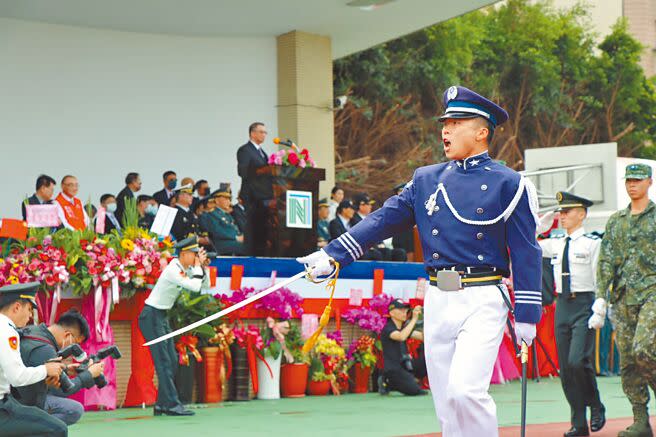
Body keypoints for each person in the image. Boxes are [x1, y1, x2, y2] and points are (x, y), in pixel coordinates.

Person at [298, 86, 542, 436]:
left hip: (483, 297)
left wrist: (528, 315)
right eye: (444, 122)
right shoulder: (426, 179)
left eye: (456, 122)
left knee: (466, 392)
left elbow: (526, 250)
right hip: (438, 297)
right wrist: (331, 254)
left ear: (481, 131)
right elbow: (382, 220)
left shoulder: (511, 184)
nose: (445, 130)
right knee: (445, 403)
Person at [590, 163, 656, 437]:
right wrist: (601, 299)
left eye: (638, 180)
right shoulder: (616, 221)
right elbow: (606, 261)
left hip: (652, 293)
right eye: (629, 180)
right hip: (623, 298)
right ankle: (641, 421)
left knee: (644, 349)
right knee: (628, 361)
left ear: (649, 182)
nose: (632, 185)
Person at [539, 192, 605, 436]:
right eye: (561, 212)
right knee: (566, 369)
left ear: (582, 213)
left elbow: (601, 278)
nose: (562, 216)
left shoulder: (592, 243)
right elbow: (527, 245)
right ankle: (578, 424)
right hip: (562, 306)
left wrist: (600, 308)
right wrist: (538, 228)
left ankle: (596, 404)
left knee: (578, 361)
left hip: (584, 304)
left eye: (567, 212)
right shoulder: (555, 243)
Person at [139, 236, 209, 416]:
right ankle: (171, 404)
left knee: (171, 360)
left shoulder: (183, 268)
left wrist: (202, 267)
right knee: (163, 362)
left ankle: (162, 404)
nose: (195, 258)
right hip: (152, 316)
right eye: (193, 255)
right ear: (184, 254)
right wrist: (198, 267)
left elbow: (202, 286)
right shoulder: (173, 269)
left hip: (160, 316)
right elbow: (194, 287)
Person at [0, 282, 68, 436]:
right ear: (17, 307)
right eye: (29, 310)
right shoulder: (7, 331)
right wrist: (46, 369)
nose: (30, 316)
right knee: (58, 429)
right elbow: (17, 377)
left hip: (7, 402)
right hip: (2, 409)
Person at [16, 310, 104, 426]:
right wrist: (89, 375)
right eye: (75, 345)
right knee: (74, 409)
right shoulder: (45, 349)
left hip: (16, 394)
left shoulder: (34, 331)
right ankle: (31, 430)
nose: (73, 352)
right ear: (67, 335)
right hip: (21, 402)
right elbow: (63, 391)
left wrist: (66, 370)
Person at [237, 122, 273, 255]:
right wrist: (261, 171)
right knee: (252, 227)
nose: (264, 135)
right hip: (252, 195)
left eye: (265, 132)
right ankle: (250, 254)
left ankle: (261, 252)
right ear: (253, 133)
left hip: (264, 196)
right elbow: (243, 171)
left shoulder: (263, 153)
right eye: (261, 132)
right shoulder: (245, 150)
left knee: (261, 228)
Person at [379, 299, 427, 396]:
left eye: (405, 310)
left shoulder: (404, 327)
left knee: (428, 358)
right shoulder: (388, 328)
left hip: (406, 365)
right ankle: (387, 381)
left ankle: (410, 379)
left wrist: (427, 317)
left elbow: (424, 337)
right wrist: (414, 319)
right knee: (416, 391)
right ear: (392, 313)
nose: (404, 312)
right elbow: (401, 336)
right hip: (393, 369)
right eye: (401, 310)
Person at [201, 189, 245, 255]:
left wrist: (241, 236)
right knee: (247, 247)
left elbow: (234, 229)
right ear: (217, 200)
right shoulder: (212, 214)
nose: (228, 201)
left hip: (232, 242)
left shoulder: (226, 215)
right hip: (222, 245)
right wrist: (235, 237)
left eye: (229, 199)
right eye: (225, 199)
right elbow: (217, 231)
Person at [391, 182, 416, 261]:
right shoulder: (393, 204)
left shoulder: (413, 204)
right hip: (398, 235)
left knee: (409, 254)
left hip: (409, 236)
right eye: (400, 191)